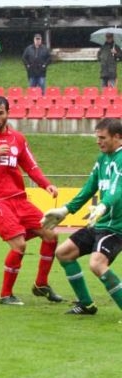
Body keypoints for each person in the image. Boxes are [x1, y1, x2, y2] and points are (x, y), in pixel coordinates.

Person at [0, 95, 63, 305]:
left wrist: (46, 184)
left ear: (8, 113)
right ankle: (5, 295)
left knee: (51, 234)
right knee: (19, 245)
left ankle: (41, 284)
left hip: (19, 200)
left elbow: (30, 166)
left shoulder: (18, 138)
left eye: (0, 113)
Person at [43, 117, 122, 316]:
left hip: (116, 227)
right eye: (97, 137)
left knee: (97, 264)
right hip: (101, 223)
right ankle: (86, 304)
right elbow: (89, 187)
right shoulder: (102, 158)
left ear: (118, 137)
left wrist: (104, 205)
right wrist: (65, 210)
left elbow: (117, 188)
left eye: (103, 137)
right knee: (64, 253)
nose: (98, 141)